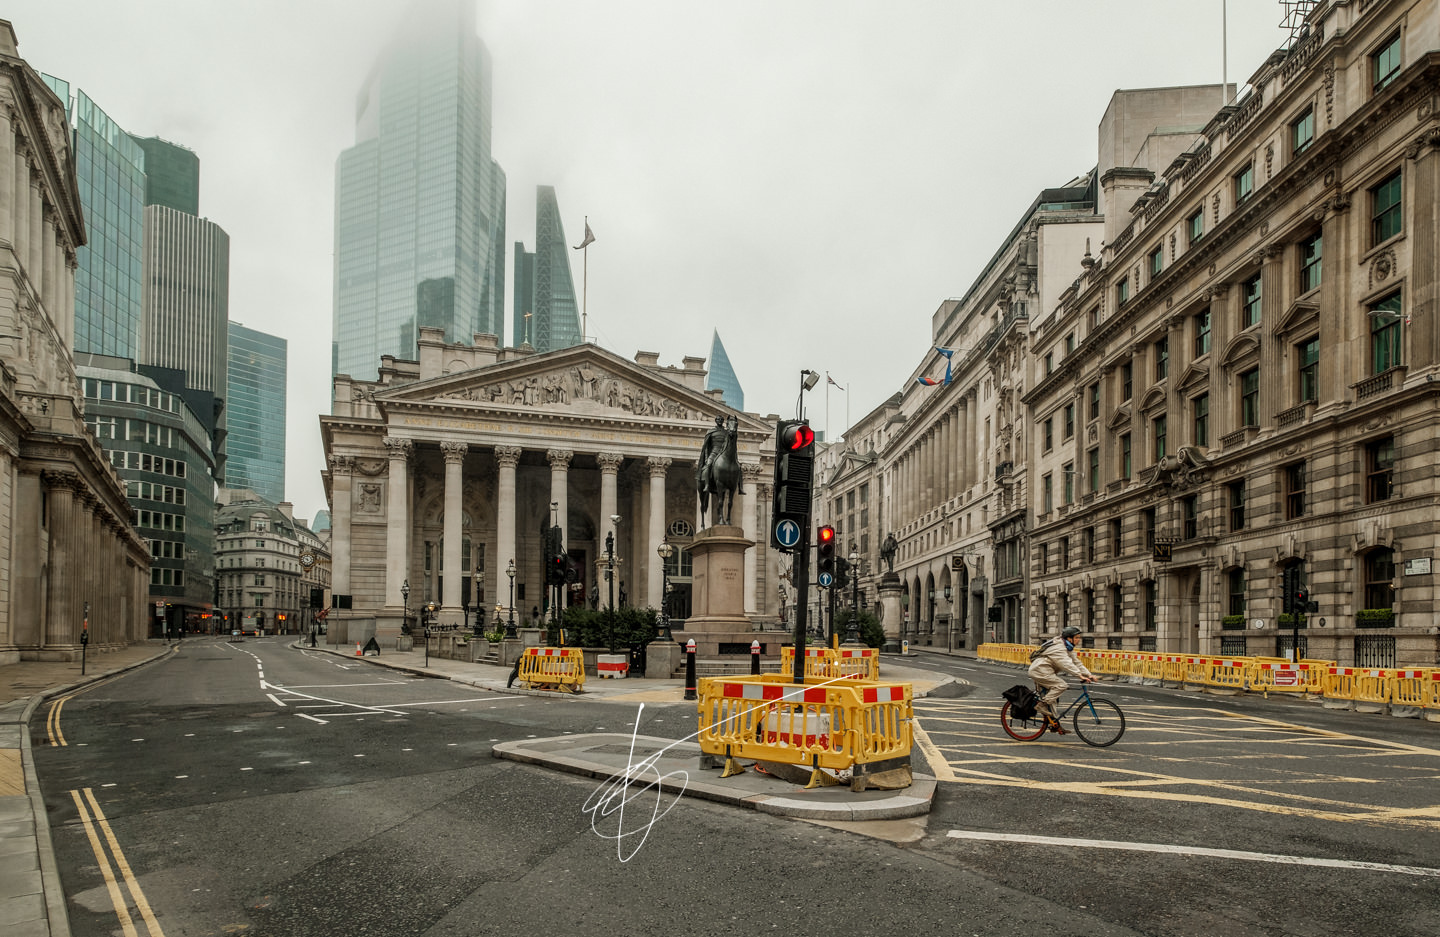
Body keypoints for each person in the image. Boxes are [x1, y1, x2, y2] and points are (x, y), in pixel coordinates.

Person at [1027, 625, 1096, 725]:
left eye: (1079, 638)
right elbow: (1066, 663)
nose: (1078, 640)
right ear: (1069, 638)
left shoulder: (1067, 647)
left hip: (1045, 671)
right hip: (1040, 671)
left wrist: (1089, 675)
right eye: (1076, 638)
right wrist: (1079, 676)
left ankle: (1054, 723)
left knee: (1052, 699)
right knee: (1062, 685)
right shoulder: (1059, 647)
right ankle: (1041, 705)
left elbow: (1076, 662)